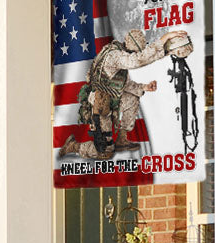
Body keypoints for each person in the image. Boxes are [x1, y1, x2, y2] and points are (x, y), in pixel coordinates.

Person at [59, 29, 190, 160]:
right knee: (105, 152)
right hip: (100, 105)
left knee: (132, 98)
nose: (137, 54)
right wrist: (163, 40)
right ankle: (73, 146)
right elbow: (138, 60)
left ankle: (122, 140)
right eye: (136, 52)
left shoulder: (120, 54)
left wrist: (144, 87)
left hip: (111, 99)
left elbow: (124, 84)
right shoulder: (115, 55)